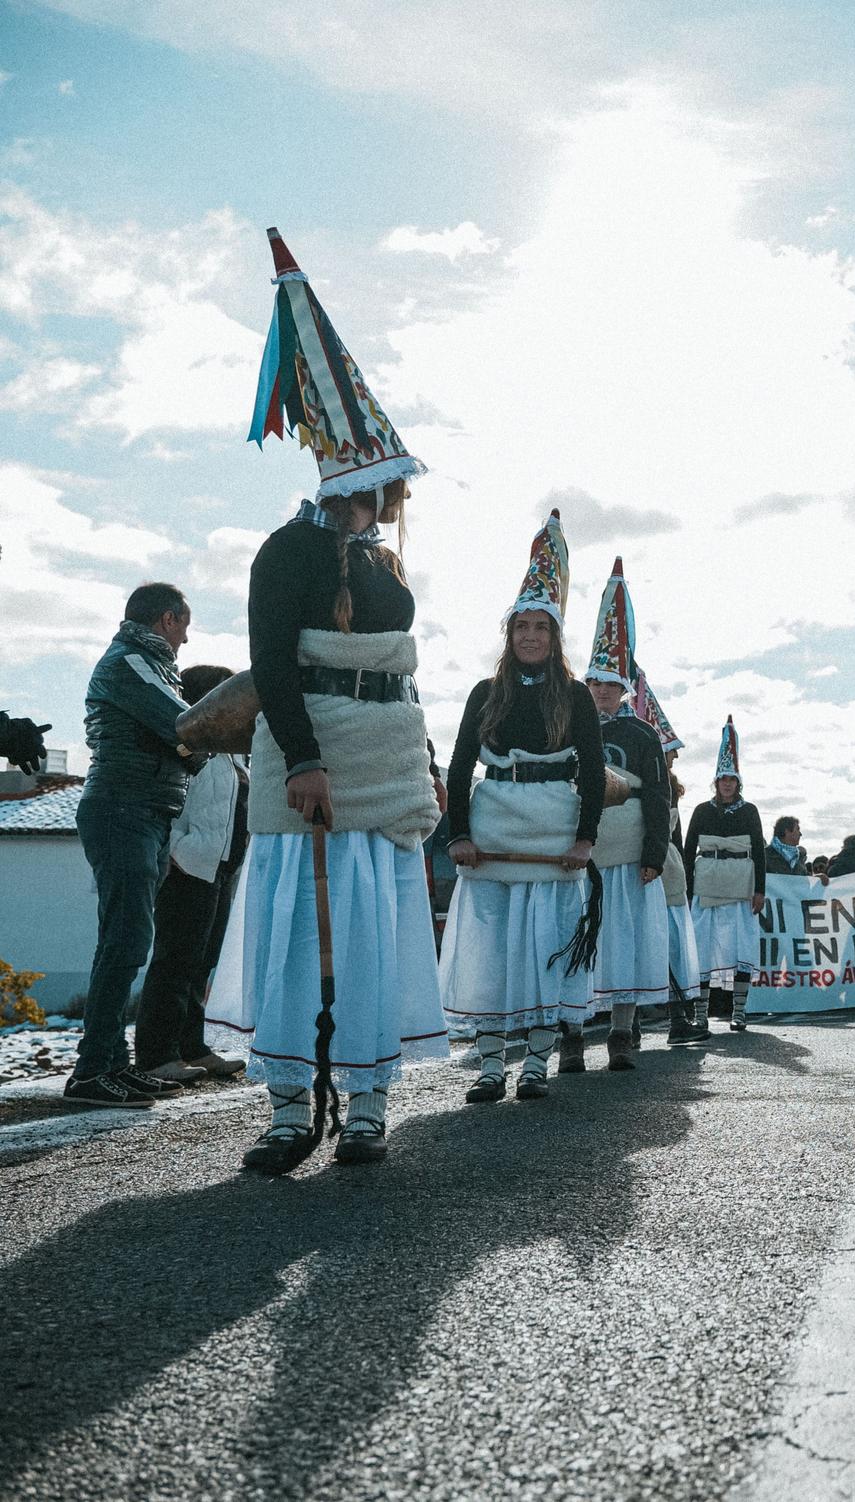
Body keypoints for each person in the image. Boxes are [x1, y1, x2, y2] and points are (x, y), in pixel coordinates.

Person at [208, 225, 447, 1170]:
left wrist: (423, 760)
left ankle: (368, 1104)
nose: (388, 491)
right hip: (312, 763)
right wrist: (303, 758)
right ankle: (286, 1108)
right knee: (300, 938)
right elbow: (272, 663)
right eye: (379, 478)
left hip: (383, 763)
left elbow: (400, 671)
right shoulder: (288, 551)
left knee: (371, 939)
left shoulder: (384, 567)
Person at [439, 509, 605, 1104]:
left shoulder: (576, 696)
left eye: (541, 627)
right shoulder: (486, 693)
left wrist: (585, 840)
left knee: (544, 950)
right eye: (521, 627)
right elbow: (460, 767)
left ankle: (535, 1063)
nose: (530, 636)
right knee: (490, 954)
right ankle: (490, 1066)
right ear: (509, 635)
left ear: (555, 637)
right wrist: (459, 834)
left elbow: (593, 771)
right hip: (494, 832)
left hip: (553, 834)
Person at [64, 582, 201, 1108]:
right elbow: (185, 726)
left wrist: (188, 747)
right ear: (167, 619)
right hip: (125, 808)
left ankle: (112, 1065)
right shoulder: (132, 662)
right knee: (125, 941)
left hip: (144, 809)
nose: (185, 639)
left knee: (125, 941)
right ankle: (91, 1071)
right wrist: (194, 744)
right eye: (184, 626)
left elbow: (182, 739)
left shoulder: (151, 666)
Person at [571, 559, 681, 1072]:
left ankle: (620, 1032)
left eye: (610, 684)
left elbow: (658, 796)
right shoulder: (567, 726)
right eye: (595, 682)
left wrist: (654, 853)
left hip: (629, 853)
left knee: (626, 943)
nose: (601, 691)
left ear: (624, 689)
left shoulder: (641, 735)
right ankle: (570, 1035)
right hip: (582, 852)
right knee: (576, 939)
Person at [132, 664, 250, 1084]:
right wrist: (179, 852)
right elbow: (166, 802)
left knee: (202, 962)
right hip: (188, 867)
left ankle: (191, 1047)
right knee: (174, 961)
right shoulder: (183, 745)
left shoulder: (231, 750)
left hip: (220, 867)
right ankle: (156, 1055)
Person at [628, 663, 704, 1043]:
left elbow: (677, 835)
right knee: (646, 943)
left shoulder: (671, 788)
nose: (671, 759)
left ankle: (673, 1019)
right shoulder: (651, 784)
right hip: (648, 866)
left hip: (668, 871)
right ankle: (636, 1023)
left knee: (667, 945)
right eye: (667, 752)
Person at [684, 718, 766, 1031]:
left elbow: (758, 852)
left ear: (738, 782)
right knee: (703, 946)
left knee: (742, 946)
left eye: (732, 779)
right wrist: (688, 890)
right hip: (707, 886)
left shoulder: (749, 811)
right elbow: (688, 849)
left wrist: (760, 890)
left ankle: (739, 1011)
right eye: (723, 779)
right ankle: (701, 1012)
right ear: (716, 782)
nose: (727, 784)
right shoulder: (702, 811)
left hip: (740, 886)